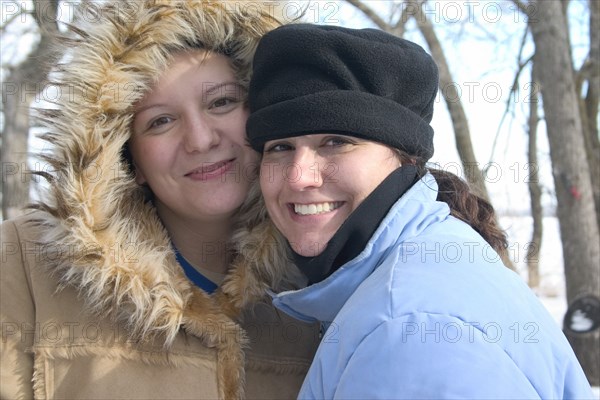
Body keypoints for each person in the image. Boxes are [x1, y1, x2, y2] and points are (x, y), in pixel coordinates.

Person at [246, 24, 594, 399]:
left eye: (336, 141)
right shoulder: (427, 264)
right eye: (280, 147)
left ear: (403, 158)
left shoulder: (408, 328)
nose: (299, 177)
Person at [0, 3, 319, 399]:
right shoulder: (21, 262)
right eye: (160, 121)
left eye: (221, 102)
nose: (201, 139)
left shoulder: (322, 277)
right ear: (127, 157)